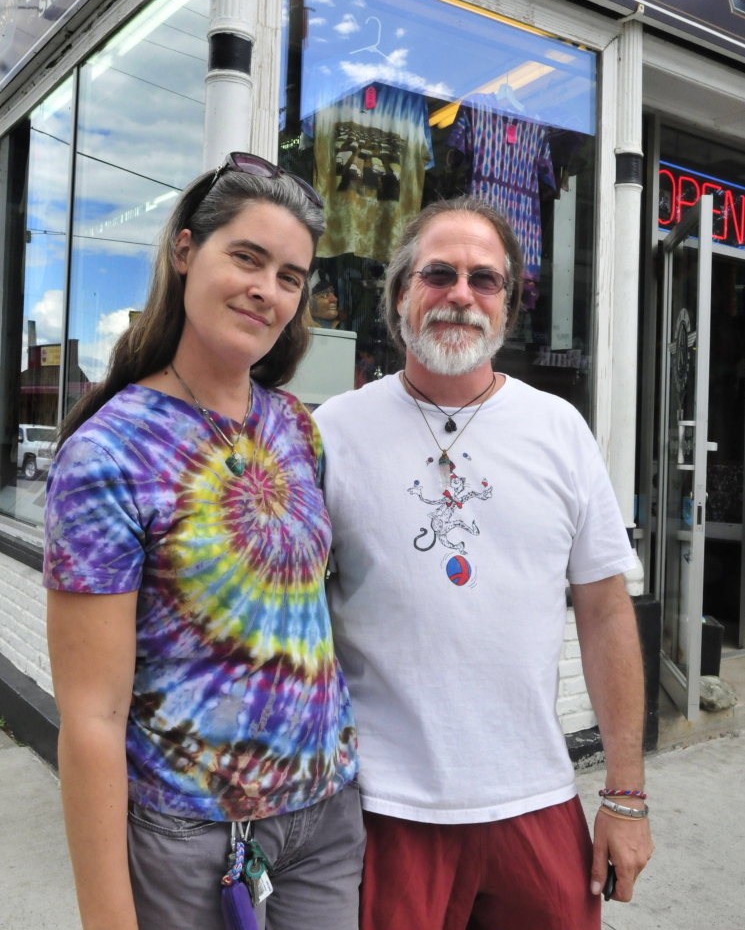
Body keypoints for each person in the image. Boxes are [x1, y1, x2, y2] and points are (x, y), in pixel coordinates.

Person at [313, 196, 653, 930]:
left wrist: (624, 796)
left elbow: (602, 611)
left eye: (483, 279)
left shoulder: (558, 430)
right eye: (437, 273)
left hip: (533, 801)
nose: (460, 294)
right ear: (400, 293)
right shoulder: (332, 432)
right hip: (383, 811)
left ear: (506, 304)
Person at [44, 154, 364, 930]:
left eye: (290, 275)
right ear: (185, 251)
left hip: (324, 821)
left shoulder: (295, 426)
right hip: (192, 842)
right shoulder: (107, 455)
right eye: (246, 257)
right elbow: (91, 714)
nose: (267, 289)